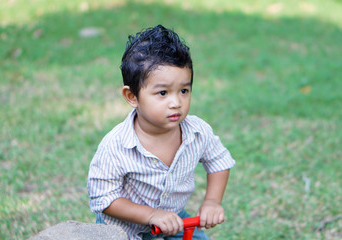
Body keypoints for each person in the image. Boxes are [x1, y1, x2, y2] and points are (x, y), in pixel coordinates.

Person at [87, 25, 235, 240]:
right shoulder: (116, 145)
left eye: (184, 91)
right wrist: (152, 215)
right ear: (132, 96)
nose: (176, 102)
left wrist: (212, 201)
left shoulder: (197, 132)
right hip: (124, 228)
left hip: (173, 220)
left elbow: (219, 161)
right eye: (163, 93)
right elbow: (104, 199)